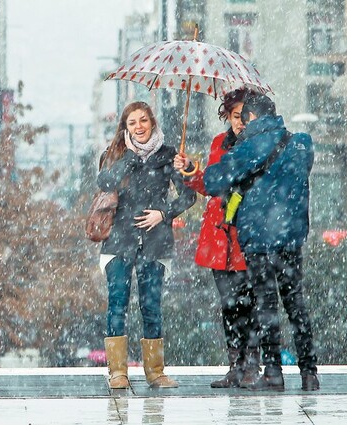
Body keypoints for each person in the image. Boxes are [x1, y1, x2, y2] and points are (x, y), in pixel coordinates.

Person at [203, 93, 319, 391]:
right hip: (291, 238)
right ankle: (309, 372)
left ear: (251, 117)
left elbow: (215, 181)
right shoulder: (300, 142)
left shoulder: (249, 146)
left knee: (266, 305)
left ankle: (274, 372)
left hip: (257, 241)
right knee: (296, 304)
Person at [97, 101, 196, 389]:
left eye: (143, 120)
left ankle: (155, 371)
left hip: (155, 242)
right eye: (132, 122)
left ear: (152, 122)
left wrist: (163, 213)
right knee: (117, 305)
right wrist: (127, 159)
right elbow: (104, 183)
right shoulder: (115, 154)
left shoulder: (168, 156)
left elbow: (188, 196)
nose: (139, 127)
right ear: (125, 127)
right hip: (120, 242)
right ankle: (117, 372)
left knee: (151, 306)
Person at [173, 88, 260, 388]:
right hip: (220, 236)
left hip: (248, 233)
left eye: (246, 116)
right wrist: (190, 171)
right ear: (228, 116)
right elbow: (209, 183)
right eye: (236, 116)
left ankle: (252, 365)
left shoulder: (261, 145)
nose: (241, 122)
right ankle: (234, 365)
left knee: (249, 303)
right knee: (228, 305)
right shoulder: (219, 144)